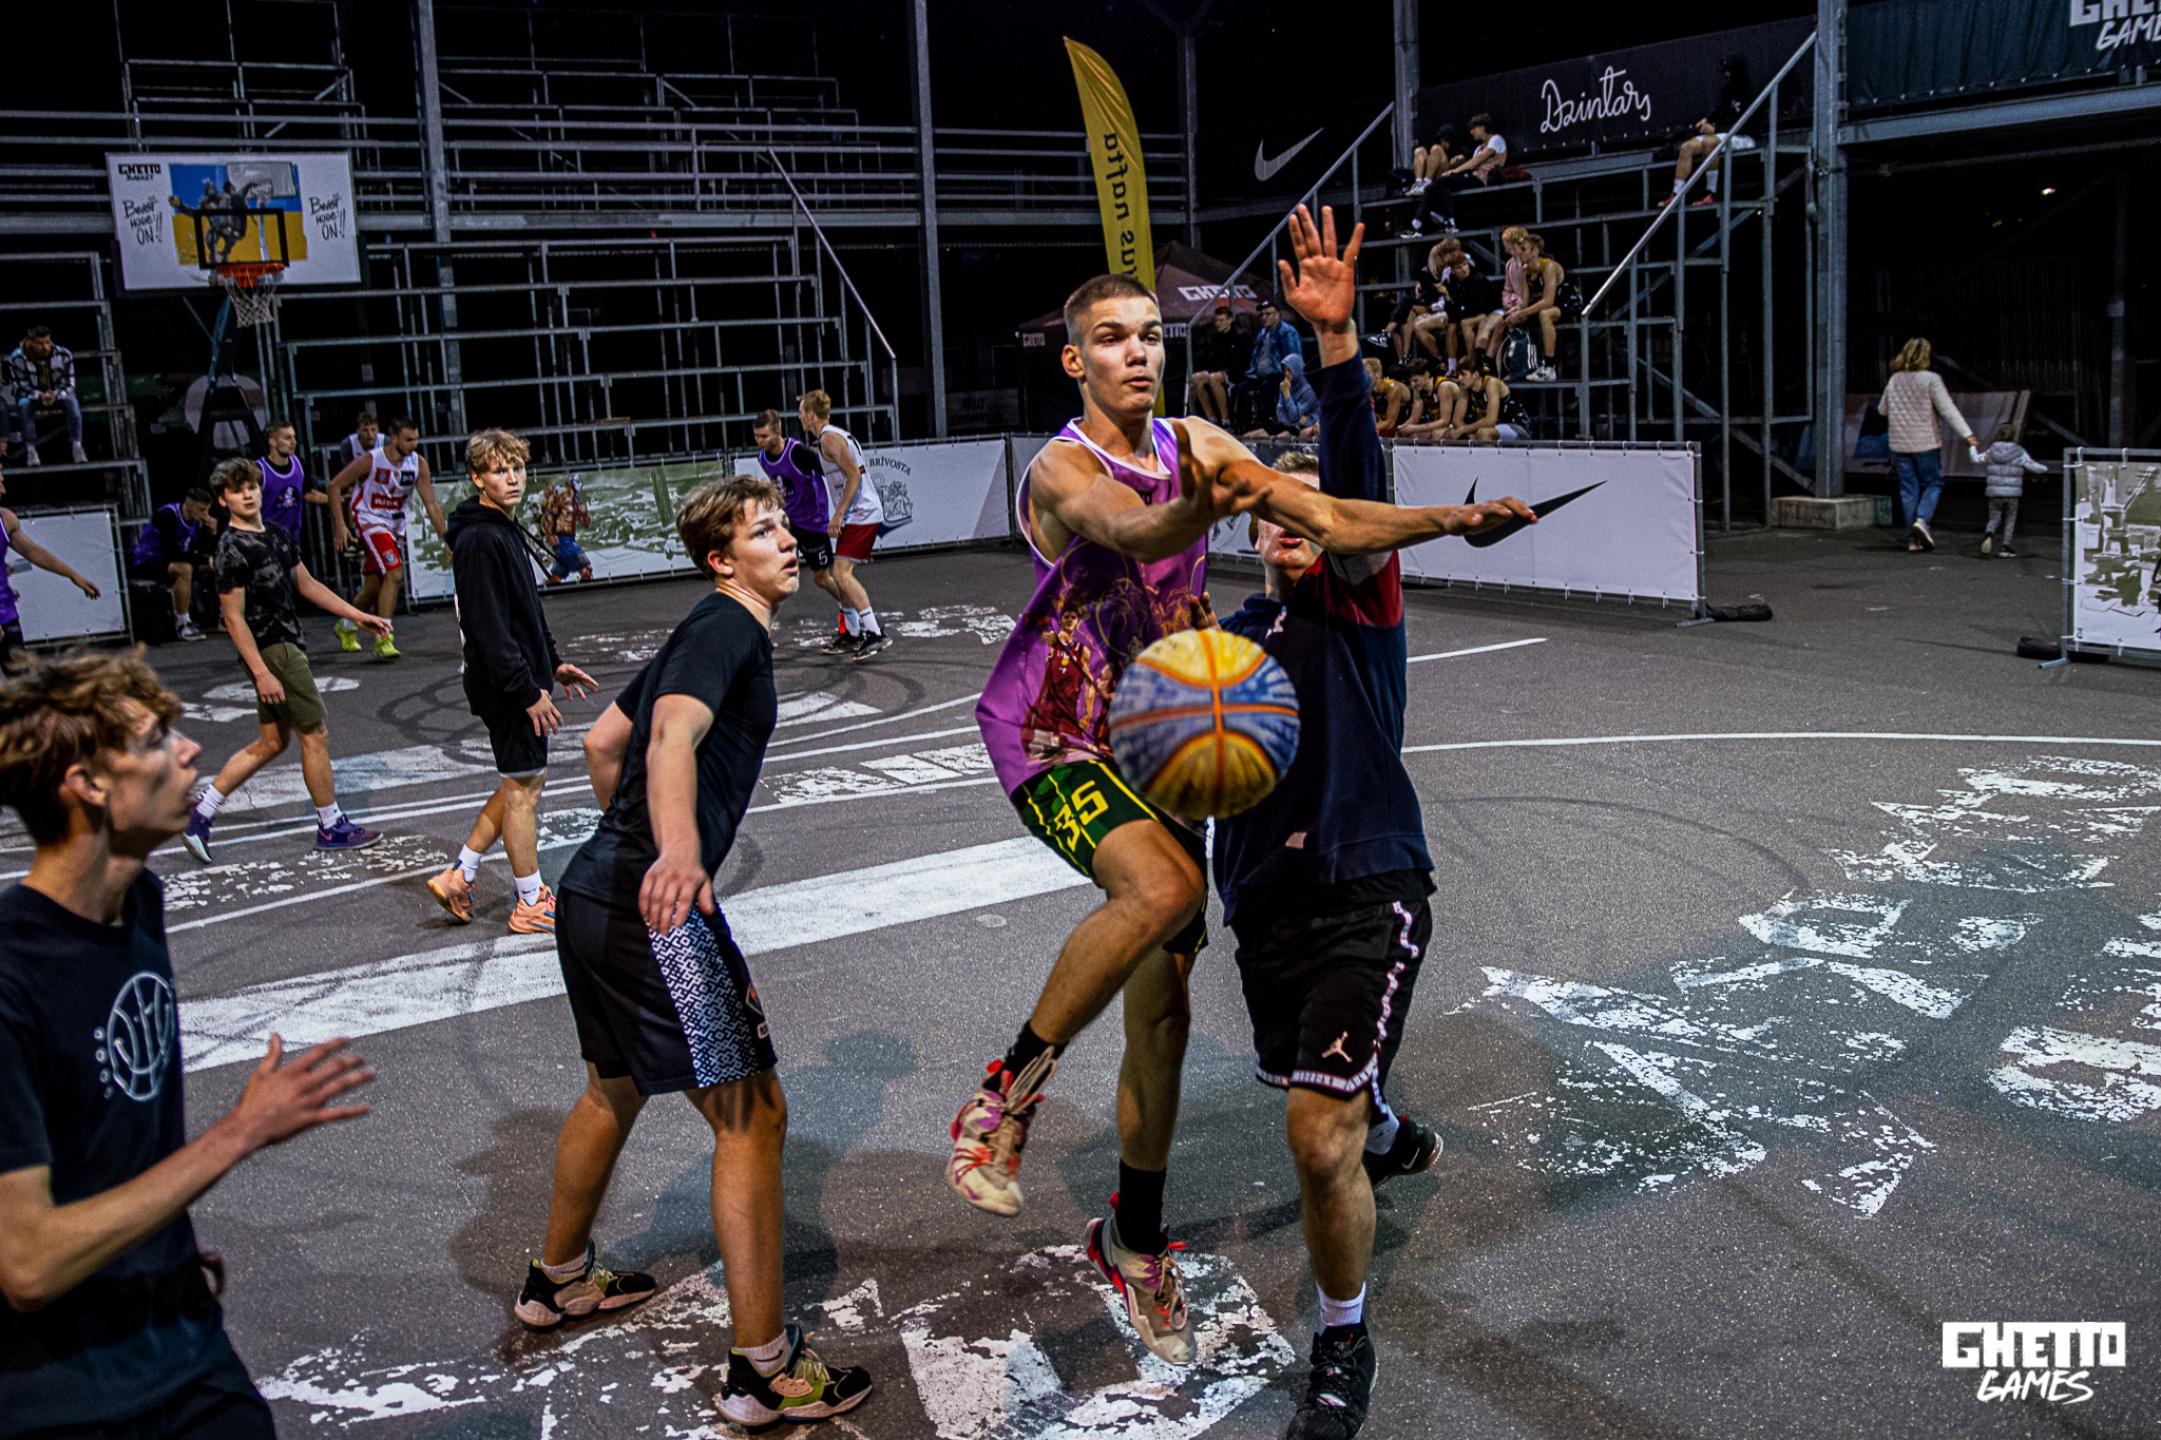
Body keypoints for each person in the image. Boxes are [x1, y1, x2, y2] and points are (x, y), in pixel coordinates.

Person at [956, 206, 1536, 1370]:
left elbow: (1330, 514)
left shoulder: (1201, 440)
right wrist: (1204, 505)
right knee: (1166, 895)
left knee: (1164, 1002)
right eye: (1111, 338)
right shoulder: (1064, 466)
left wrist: (1452, 519)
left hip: (1159, 740)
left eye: (1149, 334)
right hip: (1060, 732)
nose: (1137, 351)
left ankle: (1133, 1235)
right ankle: (1004, 1094)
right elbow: (1132, 530)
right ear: (1073, 361)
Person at [1215, 212, 1531, 1437]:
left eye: (1312, 514)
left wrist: (1337, 346)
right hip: (1263, 901)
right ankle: (1390, 1134)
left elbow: (1353, 492)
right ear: (1251, 533)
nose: (1295, 524)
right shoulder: (1221, 646)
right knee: (1331, 1101)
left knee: (1311, 1134)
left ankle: (1341, 1345)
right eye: (1275, 513)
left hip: (1366, 885)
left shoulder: (1355, 604)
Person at [526, 472, 875, 1427]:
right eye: (761, 533)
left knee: (613, 1087)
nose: (785, 540)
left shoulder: (703, 624)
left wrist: (630, 844)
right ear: (722, 560)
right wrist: (674, 853)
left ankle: (558, 1280)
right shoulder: (727, 627)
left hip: (594, 893)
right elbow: (668, 739)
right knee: (753, 1115)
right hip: (653, 911)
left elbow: (603, 744)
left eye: (781, 525)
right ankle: (762, 1371)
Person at [0, 650, 375, 1439]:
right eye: (156, 740)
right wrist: (238, 1132)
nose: (190, 748)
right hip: (66, 1395)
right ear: (87, 784)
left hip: (183, 1345)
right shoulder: (12, 979)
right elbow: (27, 1264)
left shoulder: (139, 899)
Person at [427, 430, 597, 934]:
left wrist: (553, 663)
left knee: (519, 782)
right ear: (477, 478)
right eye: (500, 470)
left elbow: (525, 612)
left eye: (517, 468)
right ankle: (530, 902)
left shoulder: (500, 528)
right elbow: (488, 629)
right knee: (523, 791)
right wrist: (527, 691)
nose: (513, 478)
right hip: (505, 687)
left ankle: (459, 875)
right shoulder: (481, 540)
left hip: (516, 679)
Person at [183, 461, 388, 863]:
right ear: (223, 500)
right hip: (273, 650)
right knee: (315, 735)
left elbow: (306, 584)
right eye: (237, 489)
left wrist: (356, 615)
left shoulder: (276, 534)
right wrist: (261, 672)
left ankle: (201, 812)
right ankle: (331, 825)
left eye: (251, 486)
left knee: (272, 742)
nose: (247, 494)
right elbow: (233, 618)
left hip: (286, 644)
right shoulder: (231, 547)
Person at [327, 416, 449, 658]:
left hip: (394, 526)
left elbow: (431, 504)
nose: (414, 444)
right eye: (408, 440)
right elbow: (334, 486)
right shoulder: (372, 460)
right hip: (369, 520)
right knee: (394, 573)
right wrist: (340, 526)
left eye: (416, 439)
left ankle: (347, 625)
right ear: (394, 439)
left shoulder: (418, 464)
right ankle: (384, 639)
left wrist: (446, 538)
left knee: (374, 585)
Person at [797, 389, 888, 660]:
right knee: (839, 574)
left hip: (861, 512)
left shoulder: (829, 438)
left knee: (842, 574)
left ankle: (874, 633)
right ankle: (852, 633)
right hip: (856, 512)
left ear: (811, 414)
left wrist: (838, 514)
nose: (799, 417)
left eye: (801, 412)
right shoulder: (828, 438)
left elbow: (854, 476)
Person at [751, 407, 846, 640]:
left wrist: (840, 511)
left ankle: (849, 611)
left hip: (813, 523)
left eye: (764, 436)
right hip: (787, 524)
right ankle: (764, 631)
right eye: (757, 436)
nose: (760, 441)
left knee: (821, 578)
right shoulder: (763, 458)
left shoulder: (799, 453)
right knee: (773, 576)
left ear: (778, 432)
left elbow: (831, 472)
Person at [0, 458, 102, 674]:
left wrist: (73, 575)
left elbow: (32, 551)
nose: (2, 486)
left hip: (6, 613)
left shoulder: (5, 519)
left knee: (22, 679)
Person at [1881, 337, 1982, 553]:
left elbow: (1882, 409)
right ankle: (1922, 520)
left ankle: (1912, 541)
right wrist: (1968, 435)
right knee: (1934, 483)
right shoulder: (1931, 379)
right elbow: (1948, 409)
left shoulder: (1894, 379)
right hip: (1925, 443)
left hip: (1899, 445)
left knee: (1908, 490)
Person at [128, 488, 218, 643]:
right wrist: (201, 560)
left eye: (207, 510)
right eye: (201, 509)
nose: (205, 514)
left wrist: (212, 533)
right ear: (189, 504)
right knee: (184, 569)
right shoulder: (167, 516)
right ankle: (183, 624)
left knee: (219, 564)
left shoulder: (199, 522)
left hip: (178, 560)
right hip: (148, 560)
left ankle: (223, 618)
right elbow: (171, 553)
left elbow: (202, 550)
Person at [5, 327, 86, 466]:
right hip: (31, 395)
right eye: (40, 343)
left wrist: (56, 394)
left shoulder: (64, 354)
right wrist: (39, 395)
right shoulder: (17, 357)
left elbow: (69, 383)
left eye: (47, 342)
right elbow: (20, 386)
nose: (45, 347)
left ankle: (77, 446)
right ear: (31, 342)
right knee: (23, 405)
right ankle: (31, 449)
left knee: (72, 403)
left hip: (57, 393)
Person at [1418, 113, 1508, 233]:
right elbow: (1471, 164)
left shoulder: (1496, 139)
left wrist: (1456, 170)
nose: (1471, 132)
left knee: (1442, 183)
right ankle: (1420, 224)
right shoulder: (1479, 147)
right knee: (1434, 186)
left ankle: (1446, 221)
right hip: (1472, 177)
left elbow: (1478, 159)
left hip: (1483, 179)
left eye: (1473, 128)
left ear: (1482, 127)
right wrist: (1455, 166)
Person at [1981, 422, 2047, 558]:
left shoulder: (1992, 450)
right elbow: (2031, 465)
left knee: (1994, 517)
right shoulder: (2019, 451)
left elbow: (1977, 458)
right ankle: (2005, 547)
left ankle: (1989, 535)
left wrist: (1971, 448)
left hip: (1994, 492)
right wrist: (2045, 469)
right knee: (2010, 518)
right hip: (2012, 493)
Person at [1506, 231, 1565, 381]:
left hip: (1563, 304)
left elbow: (1548, 301)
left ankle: (1549, 367)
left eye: (1523, 249)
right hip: (1542, 306)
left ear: (1535, 251)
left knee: (1545, 314)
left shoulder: (1548, 266)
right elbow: (1525, 300)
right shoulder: (1525, 270)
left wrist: (1522, 312)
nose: (1519, 252)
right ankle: (1520, 366)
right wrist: (1515, 311)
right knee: (1512, 318)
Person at [1440, 349, 1532, 442]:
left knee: (1484, 433)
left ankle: (1488, 452)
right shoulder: (1464, 387)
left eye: (1463, 374)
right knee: (1444, 433)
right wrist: (1469, 434)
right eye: (1458, 375)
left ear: (1475, 375)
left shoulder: (1492, 383)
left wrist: (1463, 430)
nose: (1459, 378)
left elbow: (1490, 420)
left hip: (1515, 426)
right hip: (1490, 427)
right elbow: (1456, 420)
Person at [1188, 298, 1249, 425]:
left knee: (1214, 378)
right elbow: (1212, 359)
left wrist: (1226, 371)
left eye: (1221, 320)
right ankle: (1211, 419)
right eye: (1216, 320)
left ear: (1230, 320)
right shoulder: (1215, 337)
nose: (1218, 324)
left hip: (1236, 373)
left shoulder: (1241, 336)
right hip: (1218, 371)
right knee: (1196, 378)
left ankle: (1225, 420)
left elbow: (1244, 362)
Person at [255, 419, 310, 545]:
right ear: (272, 441)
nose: (294, 442)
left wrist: (334, 498)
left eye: (294, 437)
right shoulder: (259, 469)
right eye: (288, 438)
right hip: (268, 540)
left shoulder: (299, 464)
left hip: (294, 538)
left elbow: (307, 493)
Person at [541, 481, 593, 586]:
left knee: (560, 569)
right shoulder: (560, 499)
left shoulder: (576, 502)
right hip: (562, 539)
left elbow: (585, 522)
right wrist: (550, 535)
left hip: (570, 538)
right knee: (585, 567)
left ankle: (555, 579)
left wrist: (584, 514)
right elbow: (548, 517)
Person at [1364, 358, 1407, 437]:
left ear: (1377, 374)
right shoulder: (1366, 390)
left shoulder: (1392, 389)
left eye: (1367, 373)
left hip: (1399, 427)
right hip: (1380, 426)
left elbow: (1390, 423)